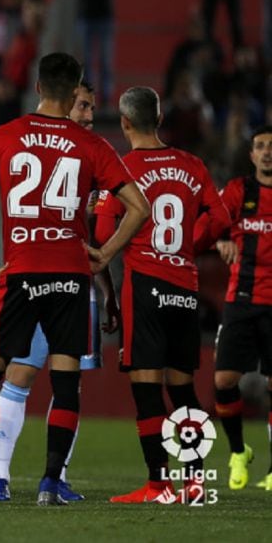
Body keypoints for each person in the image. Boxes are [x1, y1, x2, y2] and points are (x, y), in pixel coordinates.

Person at [0, 53, 149, 505]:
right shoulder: (93, 146)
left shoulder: (5, 135)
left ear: (37, 88)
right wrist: (105, 254)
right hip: (72, 275)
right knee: (65, 378)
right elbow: (139, 207)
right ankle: (51, 484)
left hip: (21, 273)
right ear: (74, 87)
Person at [91, 87, 230, 504]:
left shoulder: (123, 167)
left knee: (147, 388)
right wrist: (187, 243)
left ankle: (158, 484)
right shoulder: (192, 164)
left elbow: (101, 234)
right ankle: (196, 484)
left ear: (125, 123)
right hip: (185, 287)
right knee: (184, 389)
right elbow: (220, 218)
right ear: (160, 118)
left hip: (145, 286)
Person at [0, 82, 119, 502]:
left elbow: (95, 237)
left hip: (76, 283)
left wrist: (107, 290)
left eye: (92, 108)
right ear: (62, 102)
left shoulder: (90, 153)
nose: (88, 114)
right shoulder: (71, 151)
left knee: (66, 382)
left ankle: (53, 477)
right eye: (82, 105)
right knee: (21, 374)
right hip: (49, 278)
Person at [212, 126, 272, 491]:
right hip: (242, 301)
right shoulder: (237, 191)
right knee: (223, 382)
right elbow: (210, 220)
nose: (268, 152)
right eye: (261, 146)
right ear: (251, 155)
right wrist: (219, 238)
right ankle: (238, 451)